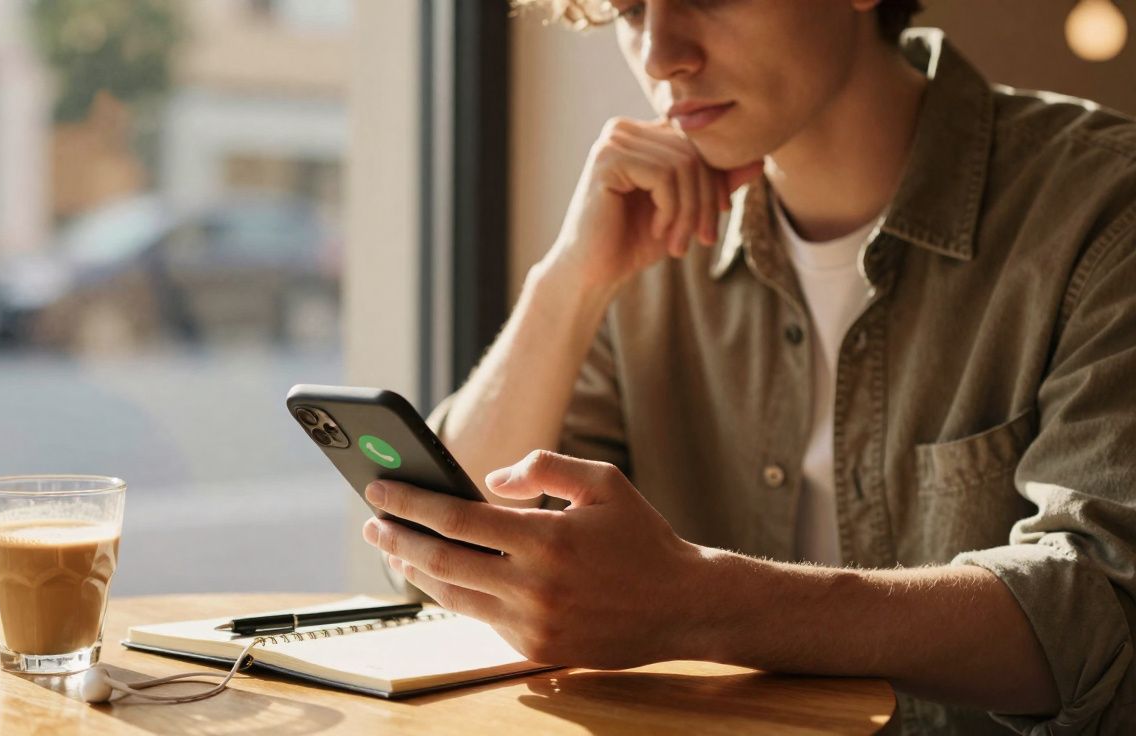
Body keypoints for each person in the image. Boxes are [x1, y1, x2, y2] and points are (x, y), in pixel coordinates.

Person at [360, 1, 1136, 732]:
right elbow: (444, 558)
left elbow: (1102, 613)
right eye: (630, 10)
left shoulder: (1100, 208)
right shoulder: (653, 233)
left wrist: (696, 603)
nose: (661, 56)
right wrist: (569, 281)